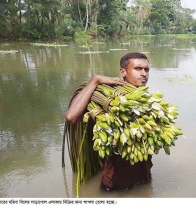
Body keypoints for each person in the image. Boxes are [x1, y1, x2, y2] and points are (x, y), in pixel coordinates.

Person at [64, 52, 153, 191]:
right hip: (115, 181)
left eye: (146, 69)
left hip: (144, 176)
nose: (144, 73)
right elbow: (71, 116)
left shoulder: (144, 98)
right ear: (123, 72)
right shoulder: (107, 97)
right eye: (138, 68)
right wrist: (95, 80)